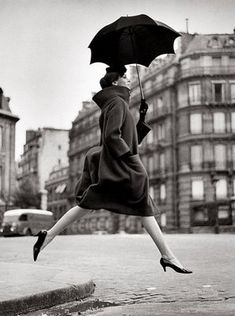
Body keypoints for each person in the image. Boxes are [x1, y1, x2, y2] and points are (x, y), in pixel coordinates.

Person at [33, 65, 192, 274]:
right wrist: (129, 159)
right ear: (115, 82)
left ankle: (49, 235)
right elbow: (112, 137)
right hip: (121, 166)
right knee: (142, 206)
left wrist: (142, 119)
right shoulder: (117, 102)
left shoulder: (113, 103)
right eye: (125, 77)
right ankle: (167, 256)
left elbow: (125, 137)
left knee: (90, 205)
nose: (129, 79)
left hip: (113, 166)